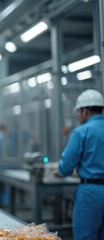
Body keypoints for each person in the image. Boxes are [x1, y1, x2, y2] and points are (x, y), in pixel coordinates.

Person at [54, 89, 104, 240]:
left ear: (86, 111)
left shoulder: (81, 132)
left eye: (79, 112)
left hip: (90, 192)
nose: (78, 116)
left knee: (85, 235)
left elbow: (66, 166)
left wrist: (60, 170)